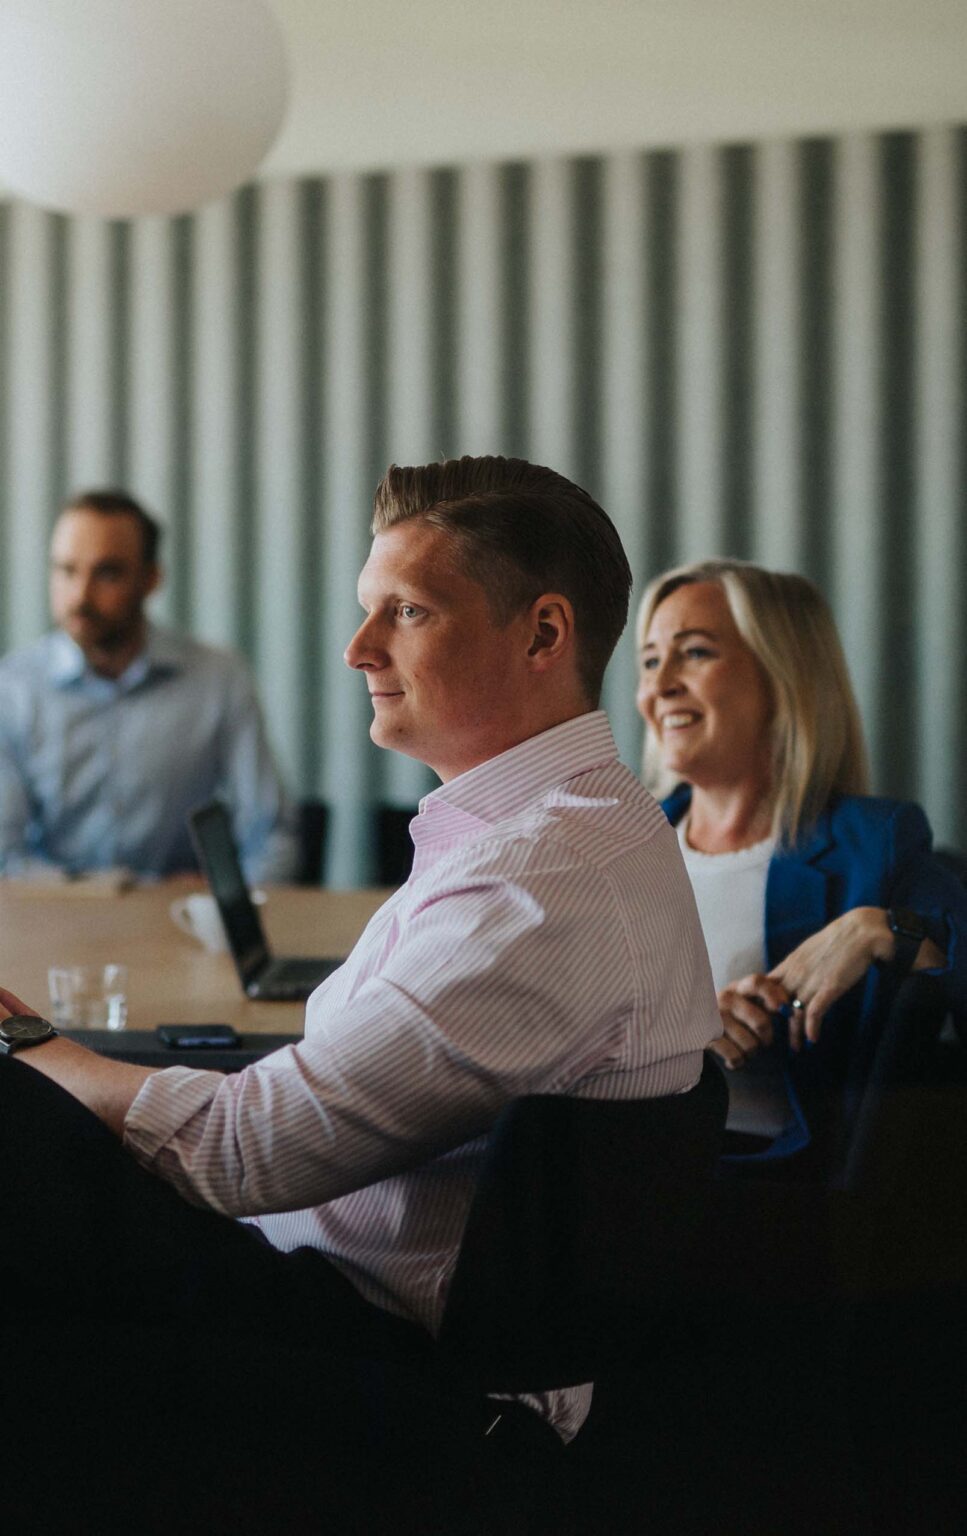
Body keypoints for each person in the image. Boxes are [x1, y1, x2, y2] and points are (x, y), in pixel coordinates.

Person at [0, 457, 719, 1534]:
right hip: (341, 1281)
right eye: (362, 611)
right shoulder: (554, 835)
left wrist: (32, 1040)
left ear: (542, 634)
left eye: (407, 611)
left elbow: (244, 1156)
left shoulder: (538, 885)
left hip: (376, 1349)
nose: (357, 650)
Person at [636, 557, 967, 1169]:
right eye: (651, 661)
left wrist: (882, 931)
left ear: (782, 672)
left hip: (776, 1192)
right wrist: (676, 1042)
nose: (659, 688)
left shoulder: (875, 842)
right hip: (620, 1166)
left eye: (696, 653)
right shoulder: (616, 848)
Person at [0, 488, 298, 882]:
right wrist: (99, 893)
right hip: (54, 924)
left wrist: (224, 909)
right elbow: (4, 856)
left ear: (151, 579)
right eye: (66, 570)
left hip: (180, 926)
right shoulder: (13, 689)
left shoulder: (218, 681)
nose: (80, 596)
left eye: (107, 573)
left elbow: (272, 837)